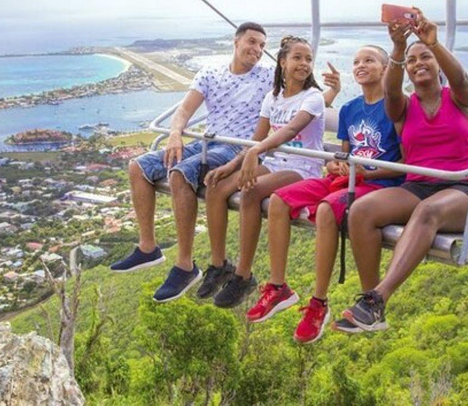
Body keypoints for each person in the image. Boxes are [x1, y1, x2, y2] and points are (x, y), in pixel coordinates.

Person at [109, 23, 341, 304]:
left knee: (187, 175)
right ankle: (154, 249)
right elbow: (186, 109)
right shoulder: (218, 75)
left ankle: (195, 267)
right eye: (252, 42)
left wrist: (332, 92)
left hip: (247, 149)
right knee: (141, 166)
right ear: (236, 41)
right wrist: (175, 134)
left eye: (261, 46)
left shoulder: (271, 78)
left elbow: (303, 106)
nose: (256, 50)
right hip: (222, 145)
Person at [336, 7, 468, 333]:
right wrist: (400, 48)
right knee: (360, 211)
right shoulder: (403, 107)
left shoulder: (459, 98)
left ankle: (378, 298)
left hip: (461, 188)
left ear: (438, 65)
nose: (419, 64)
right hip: (415, 186)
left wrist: (433, 42)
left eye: (426, 58)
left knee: (429, 212)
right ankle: (371, 303)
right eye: (413, 61)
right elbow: (390, 91)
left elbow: (460, 78)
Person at [244, 45, 405, 343]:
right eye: (356, 61)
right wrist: (336, 164)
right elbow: (346, 155)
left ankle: (319, 303)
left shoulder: (396, 108)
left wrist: (361, 172)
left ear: (386, 68)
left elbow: (404, 163)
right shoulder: (349, 109)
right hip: (346, 179)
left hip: (377, 185)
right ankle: (278, 286)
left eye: (369, 60)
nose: (360, 65)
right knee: (280, 200)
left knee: (327, 209)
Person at [200, 36, 327, 308]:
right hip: (276, 162)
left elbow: (290, 130)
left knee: (251, 192)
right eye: (297, 58)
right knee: (217, 186)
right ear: (282, 62)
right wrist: (231, 165)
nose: (304, 64)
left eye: (308, 59)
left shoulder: (313, 97)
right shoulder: (273, 97)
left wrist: (256, 154)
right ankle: (218, 263)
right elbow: (257, 139)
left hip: (302, 167)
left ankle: (243, 274)